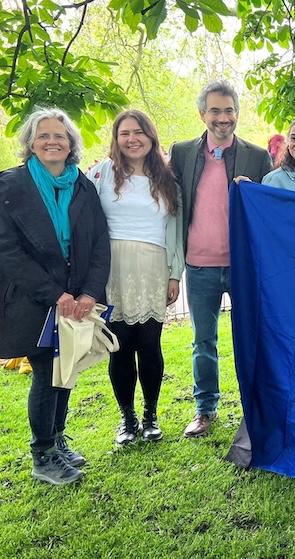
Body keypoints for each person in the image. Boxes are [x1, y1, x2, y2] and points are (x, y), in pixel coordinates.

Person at [0, 108, 110, 484]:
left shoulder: (82, 186)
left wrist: (89, 292)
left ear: (70, 143)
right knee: (47, 372)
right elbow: (7, 251)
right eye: (43, 135)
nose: (52, 141)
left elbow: (99, 243)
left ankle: (57, 439)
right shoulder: (10, 186)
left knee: (66, 368)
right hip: (33, 298)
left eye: (59, 136)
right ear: (31, 143)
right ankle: (43, 454)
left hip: (76, 299)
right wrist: (54, 294)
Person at [170, 80, 273, 438]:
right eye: (215, 110)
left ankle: (256, 408)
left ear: (237, 114)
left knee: (252, 339)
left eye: (229, 110)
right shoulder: (182, 153)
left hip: (244, 267)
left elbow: (269, 212)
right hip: (199, 265)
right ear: (202, 114)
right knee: (203, 341)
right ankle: (205, 409)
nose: (223, 117)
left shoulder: (257, 157)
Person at [87, 110, 183, 445]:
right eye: (125, 133)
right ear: (116, 138)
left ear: (151, 137)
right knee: (120, 345)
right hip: (112, 267)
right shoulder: (101, 173)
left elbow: (175, 232)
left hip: (153, 266)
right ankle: (127, 418)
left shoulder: (167, 180)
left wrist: (174, 274)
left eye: (139, 132)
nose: (132, 139)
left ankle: (150, 415)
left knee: (150, 344)